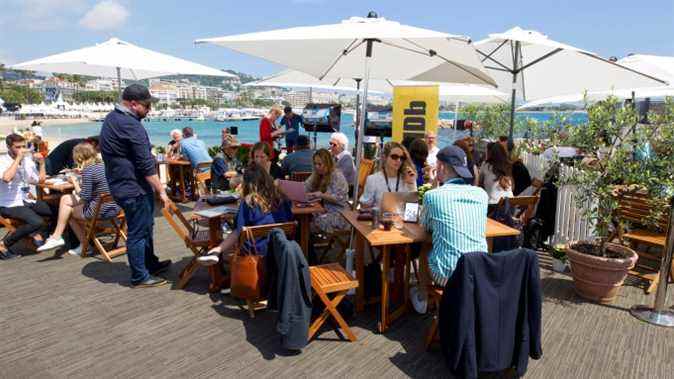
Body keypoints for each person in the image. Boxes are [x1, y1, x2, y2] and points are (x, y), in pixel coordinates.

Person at [100, 84, 171, 288]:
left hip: (122, 184)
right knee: (138, 231)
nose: (150, 110)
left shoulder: (112, 118)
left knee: (146, 226)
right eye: (147, 106)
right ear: (133, 104)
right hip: (133, 187)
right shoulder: (130, 125)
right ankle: (140, 276)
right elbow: (146, 164)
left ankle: (150, 263)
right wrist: (161, 191)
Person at [198, 163, 293, 266]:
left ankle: (217, 252)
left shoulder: (249, 202)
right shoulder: (283, 198)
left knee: (237, 233)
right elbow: (290, 219)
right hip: (281, 248)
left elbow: (238, 231)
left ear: (246, 183)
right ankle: (218, 252)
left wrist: (218, 248)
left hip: (256, 251)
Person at [420, 145, 488, 286]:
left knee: (425, 247)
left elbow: (425, 226)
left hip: (447, 275)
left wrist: (434, 184)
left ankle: (423, 296)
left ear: (442, 168)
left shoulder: (432, 196)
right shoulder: (481, 194)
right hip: (478, 272)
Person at [37, 143, 121, 255]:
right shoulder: (103, 165)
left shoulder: (89, 170)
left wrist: (75, 182)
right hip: (115, 207)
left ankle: (83, 245)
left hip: (99, 212)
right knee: (66, 199)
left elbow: (84, 197)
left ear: (80, 157)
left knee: (68, 214)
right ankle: (58, 237)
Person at [0, 134, 50, 259]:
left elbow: (39, 181)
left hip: (26, 199)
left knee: (55, 210)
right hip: (8, 203)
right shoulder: (2, 161)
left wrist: (42, 163)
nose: (21, 150)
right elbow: (6, 178)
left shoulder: (27, 161)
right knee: (37, 222)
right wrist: (17, 159)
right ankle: (4, 243)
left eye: (23, 146)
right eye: (17, 147)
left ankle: (40, 236)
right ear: (8, 147)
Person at [304, 149, 349, 234]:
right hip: (325, 210)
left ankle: (307, 244)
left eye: (320, 164)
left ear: (328, 163)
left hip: (340, 214)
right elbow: (306, 186)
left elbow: (339, 199)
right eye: (315, 164)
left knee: (308, 224)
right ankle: (308, 244)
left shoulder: (337, 176)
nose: (317, 166)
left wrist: (321, 195)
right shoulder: (317, 174)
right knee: (304, 219)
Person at [360, 142, 417, 208]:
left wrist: (411, 184)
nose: (398, 160)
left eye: (402, 158)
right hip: (379, 218)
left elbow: (413, 210)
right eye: (394, 157)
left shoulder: (408, 178)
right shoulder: (373, 179)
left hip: (403, 218)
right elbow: (364, 206)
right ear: (384, 157)